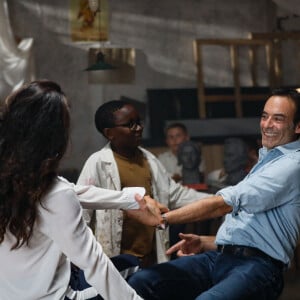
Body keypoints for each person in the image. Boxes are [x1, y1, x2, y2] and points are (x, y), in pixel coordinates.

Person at [128, 88, 300, 300]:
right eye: (265, 117)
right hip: (221, 256)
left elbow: (224, 204)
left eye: (278, 119)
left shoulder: (293, 164)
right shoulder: (266, 160)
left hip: (259, 268)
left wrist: (162, 218)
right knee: (143, 281)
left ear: (298, 126)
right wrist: (205, 241)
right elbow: (252, 228)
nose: (267, 125)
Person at [0, 80, 164, 300]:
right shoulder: (55, 193)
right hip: (56, 296)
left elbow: (73, 190)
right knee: (136, 271)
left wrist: (133, 200)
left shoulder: (16, 178)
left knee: (126, 265)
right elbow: (95, 264)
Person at [77, 100, 210, 266]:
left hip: (151, 258)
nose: (138, 128)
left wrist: (220, 199)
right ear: (110, 133)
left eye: (139, 122)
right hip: (114, 260)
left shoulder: (150, 160)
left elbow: (175, 194)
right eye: (130, 125)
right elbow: (82, 215)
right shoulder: (97, 163)